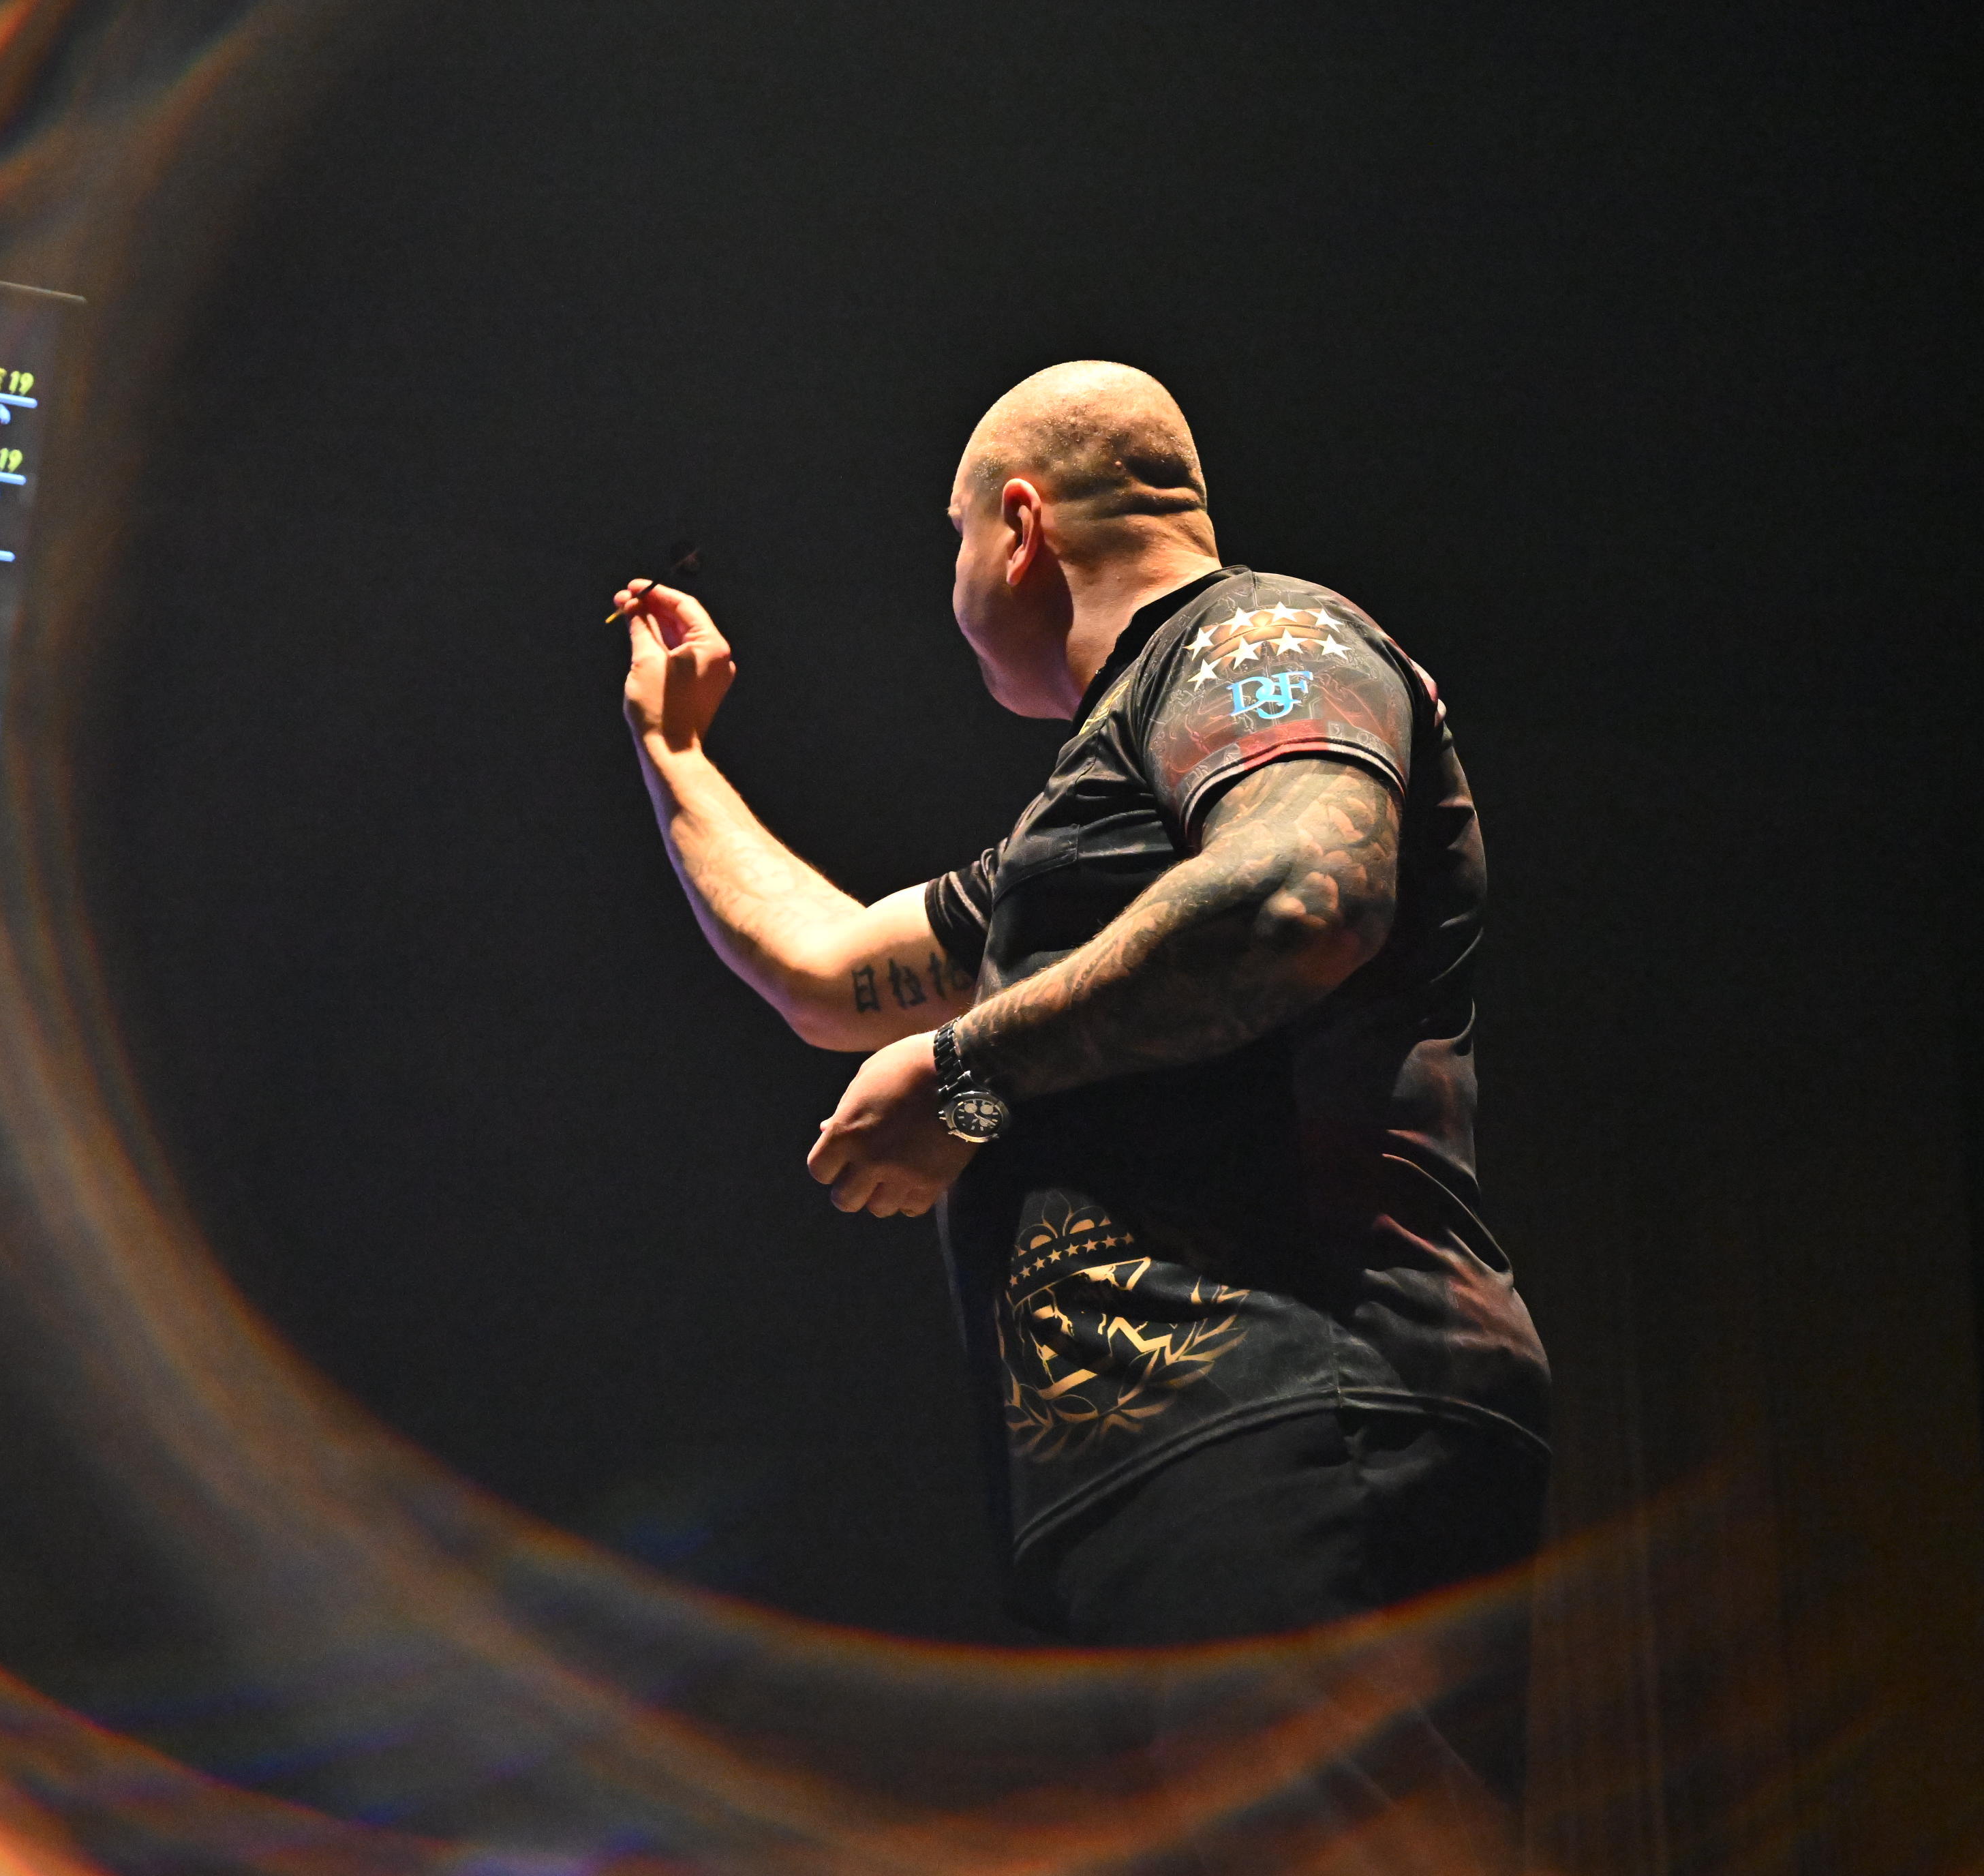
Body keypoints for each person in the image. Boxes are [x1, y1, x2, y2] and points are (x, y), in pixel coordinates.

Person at [614, 361, 1553, 1856]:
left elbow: (1300, 893)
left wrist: (967, 1075)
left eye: (953, 537)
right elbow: (830, 973)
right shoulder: (1096, 812)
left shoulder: (1262, 638)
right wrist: (675, 754)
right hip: (1179, 1464)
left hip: (1300, 1400)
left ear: (1020, 525)